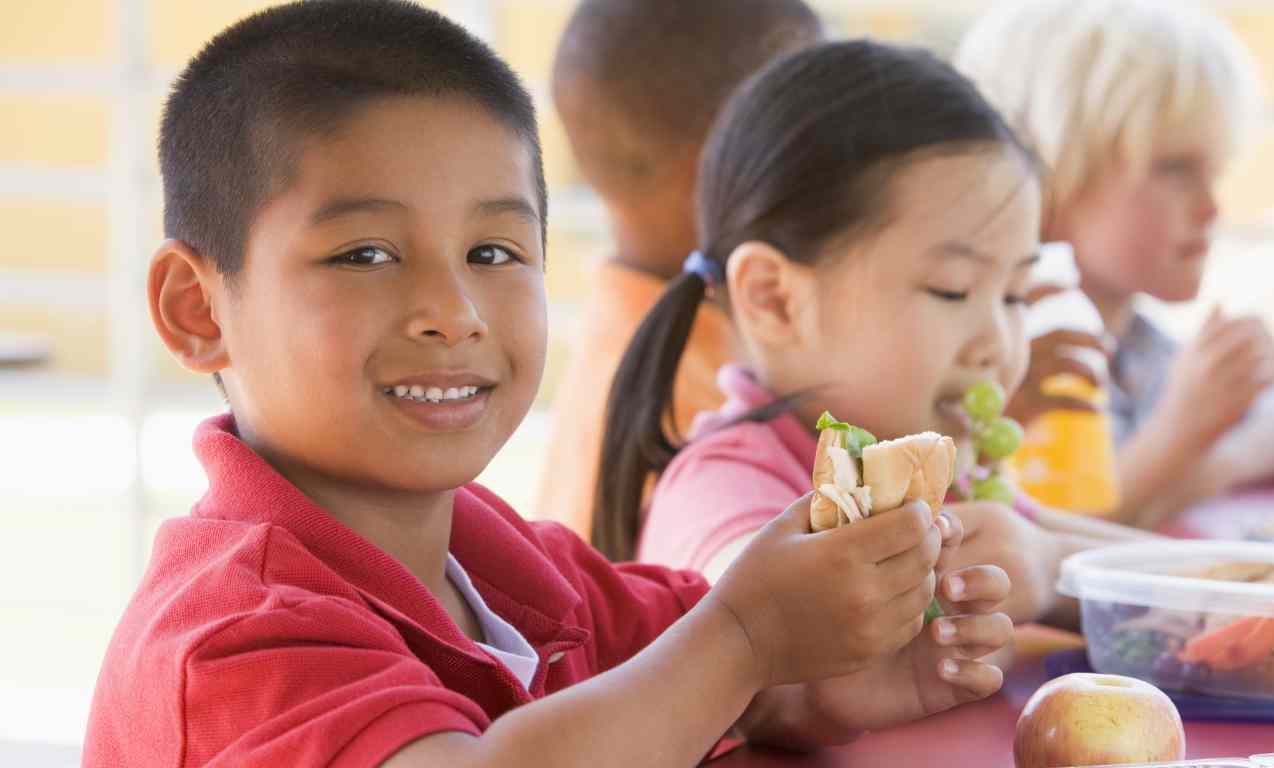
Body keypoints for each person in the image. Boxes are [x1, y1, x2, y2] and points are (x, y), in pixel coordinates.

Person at [81, 3, 1011, 766]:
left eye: (494, 250)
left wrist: (829, 685)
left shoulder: (524, 575)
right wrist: (744, 641)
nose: (453, 310)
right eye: (365, 254)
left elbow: (718, 682)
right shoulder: (233, 638)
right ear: (198, 309)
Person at [597, 40, 1155, 629]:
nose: (999, 344)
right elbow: (756, 637)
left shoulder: (928, 474)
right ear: (775, 299)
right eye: (952, 289)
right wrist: (1049, 569)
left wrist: (1050, 564)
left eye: (1015, 295)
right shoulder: (724, 487)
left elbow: (1163, 573)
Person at [956, 0, 1274, 528]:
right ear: (1050, 170)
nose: (1213, 207)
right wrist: (1182, 431)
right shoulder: (1010, 361)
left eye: (1216, 169)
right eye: (1175, 168)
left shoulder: (1141, 349)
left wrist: (1207, 459)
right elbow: (1031, 546)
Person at [536, 0, 823, 541]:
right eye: (811, 126)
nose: (838, 156)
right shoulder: (697, 405)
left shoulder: (651, 336)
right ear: (725, 155)